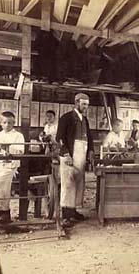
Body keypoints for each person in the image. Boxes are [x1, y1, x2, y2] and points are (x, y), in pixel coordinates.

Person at [56, 93, 94, 227]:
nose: (86, 107)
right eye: (84, 104)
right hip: (69, 155)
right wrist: (66, 154)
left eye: (87, 105)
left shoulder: (85, 120)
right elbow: (59, 138)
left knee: (78, 183)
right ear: (76, 103)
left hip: (81, 155)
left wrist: (90, 151)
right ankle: (66, 215)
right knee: (68, 183)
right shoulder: (66, 118)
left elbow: (89, 138)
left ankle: (73, 211)